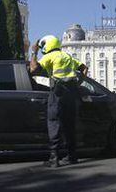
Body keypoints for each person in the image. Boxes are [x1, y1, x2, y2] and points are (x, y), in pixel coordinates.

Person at [30, 35, 88, 168]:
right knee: (69, 125)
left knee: (54, 122)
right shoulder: (67, 56)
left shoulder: (50, 56)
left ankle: (54, 159)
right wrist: (78, 83)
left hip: (58, 93)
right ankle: (71, 156)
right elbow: (84, 69)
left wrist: (34, 52)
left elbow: (33, 69)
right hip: (71, 93)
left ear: (48, 45)